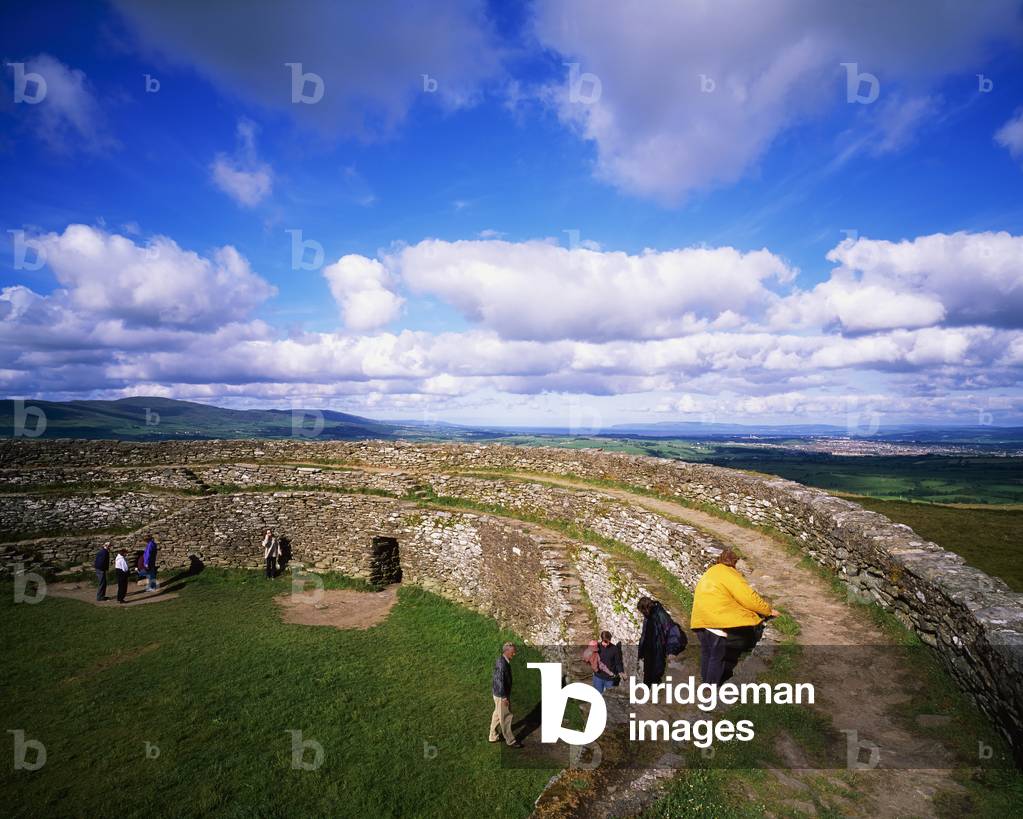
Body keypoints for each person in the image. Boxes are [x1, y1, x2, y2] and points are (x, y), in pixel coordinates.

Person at [690, 548, 779, 685]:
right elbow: (748, 597)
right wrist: (767, 611)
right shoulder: (729, 574)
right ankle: (711, 687)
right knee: (717, 657)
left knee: (706, 653)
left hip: (700, 618)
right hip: (715, 622)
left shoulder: (712, 571)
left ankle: (705, 683)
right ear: (734, 562)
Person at [489, 642, 523, 748]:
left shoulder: (502, 661)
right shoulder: (502, 663)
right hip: (501, 695)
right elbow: (499, 681)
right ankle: (511, 740)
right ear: (506, 651)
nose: (514, 654)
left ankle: (493, 736)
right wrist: (504, 697)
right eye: (513, 652)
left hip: (498, 694)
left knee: (497, 715)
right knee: (506, 717)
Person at [637, 596, 674, 685]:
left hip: (657, 648)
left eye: (642, 611)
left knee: (655, 674)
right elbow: (644, 633)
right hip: (648, 649)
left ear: (646, 608)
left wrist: (671, 650)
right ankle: (648, 692)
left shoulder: (660, 615)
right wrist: (640, 651)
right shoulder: (648, 615)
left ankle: (655, 692)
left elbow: (669, 630)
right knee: (647, 675)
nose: (642, 614)